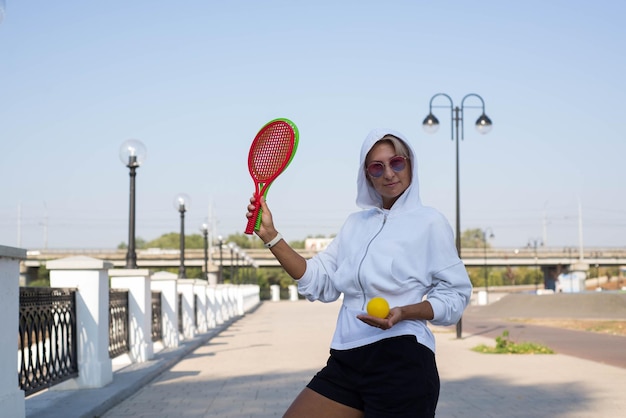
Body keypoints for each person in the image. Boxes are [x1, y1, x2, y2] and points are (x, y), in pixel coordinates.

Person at [245, 128, 473, 417]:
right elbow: (319, 281)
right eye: (377, 167)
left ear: (410, 164)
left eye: (397, 162)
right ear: (367, 176)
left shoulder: (430, 222)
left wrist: (404, 312)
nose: (389, 173)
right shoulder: (355, 225)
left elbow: (455, 295)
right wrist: (271, 236)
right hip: (346, 359)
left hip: (402, 359)